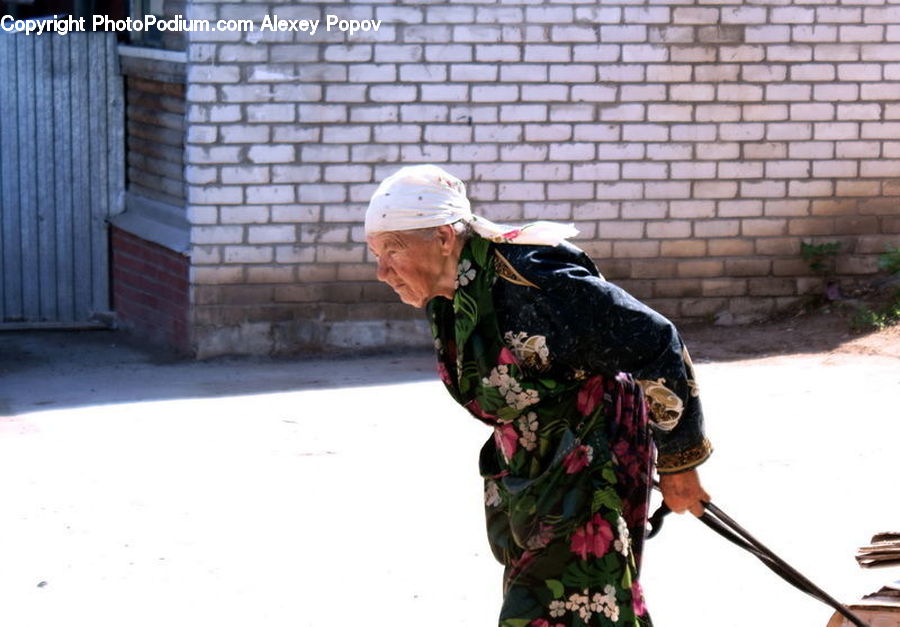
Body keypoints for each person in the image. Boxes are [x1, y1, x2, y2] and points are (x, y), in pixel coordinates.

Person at [365, 164, 712, 627]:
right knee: (584, 605)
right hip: (533, 473)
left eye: (393, 249)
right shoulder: (452, 294)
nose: (382, 271)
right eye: (376, 253)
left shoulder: (535, 280)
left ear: (445, 239)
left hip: (589, 463)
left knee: (556, 608)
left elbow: (654, 342)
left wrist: (678, 464)